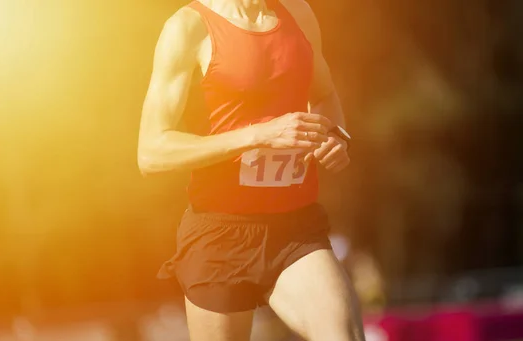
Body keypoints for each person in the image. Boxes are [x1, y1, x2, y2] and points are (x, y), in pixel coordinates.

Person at [137, 0, 365, 340]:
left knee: (344, 335)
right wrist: (259, 135)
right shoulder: (188, 27)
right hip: (220, 234)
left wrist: (335, 136)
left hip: (295, 228)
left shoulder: (298, 14)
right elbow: (152, 152)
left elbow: (324, 93)